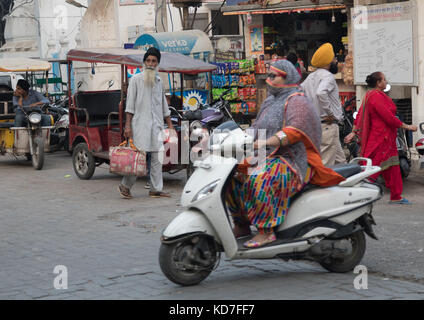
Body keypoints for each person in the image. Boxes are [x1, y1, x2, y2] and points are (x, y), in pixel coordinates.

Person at [226, 60, 345, 248]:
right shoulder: (269, 101)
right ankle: (242, 224)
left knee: (259, 179)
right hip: (268, 155)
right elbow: (257, 127)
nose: (268, 79)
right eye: (268, 75)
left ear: (286, 77)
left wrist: (266, 141)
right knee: (233, 175)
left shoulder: (297, 100)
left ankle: (267, 231)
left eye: (273, 76)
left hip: (293, 159)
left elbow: (294, 131)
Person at [344, 72, 417, 204]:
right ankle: (358, 195)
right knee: (371, 169)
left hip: (386, 138)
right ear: (378, 83)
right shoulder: (375, 97)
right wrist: (407, 126)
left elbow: (360, 114)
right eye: (384, 79)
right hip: (380, 138)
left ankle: (396, 196)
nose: (386, 81)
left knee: (393, 167)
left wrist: (354, 132)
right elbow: (388, 117)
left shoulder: (371, 96)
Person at [118, 47, 174, 199]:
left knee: (157, 158)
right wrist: (127, 126)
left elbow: (163, 105)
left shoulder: (159, 81)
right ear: (144, 63)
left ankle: (156, 189)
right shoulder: (135, 80)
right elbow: (129, 106)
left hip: (156, 126)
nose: (150, 63)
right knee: (138, 158)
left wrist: (169, 125)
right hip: (140, 126)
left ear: (157, 64)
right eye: (148, 60)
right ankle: (125, 186)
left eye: (153, 61)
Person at [301, 43, 346, 166]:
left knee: (341, 162)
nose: (336, 61)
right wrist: (329, 112)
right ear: (328, 61)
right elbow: (321, 93)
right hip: (328, 125)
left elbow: (300, 93)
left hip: (320, 125)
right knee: (325, 166)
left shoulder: (310, 77)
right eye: (334, 59)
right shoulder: (328, 77)